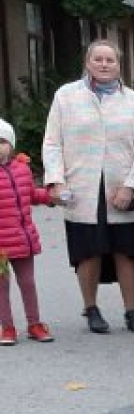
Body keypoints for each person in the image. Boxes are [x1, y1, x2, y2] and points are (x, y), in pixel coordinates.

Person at [41, 39, 134, 335]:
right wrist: (56, 180)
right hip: (81, 186)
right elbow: (52, 143)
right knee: (87, 251)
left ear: (119, 65)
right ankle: (91, 308)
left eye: (110, 60)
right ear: (87, 62)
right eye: (98, 59)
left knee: (126, 251)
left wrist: (131, 186)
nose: (104, 64)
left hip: (120, 187)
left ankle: (132, 311)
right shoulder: (66, 96)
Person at [0, 118, 54, 344]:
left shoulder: (22, 169)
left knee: (28, 283)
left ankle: (34, 324)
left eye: (2, 141)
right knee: (2, 288)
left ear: (11, 144)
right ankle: (8, 328)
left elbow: (31, 195)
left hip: (23, 240)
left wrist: (51, 197)